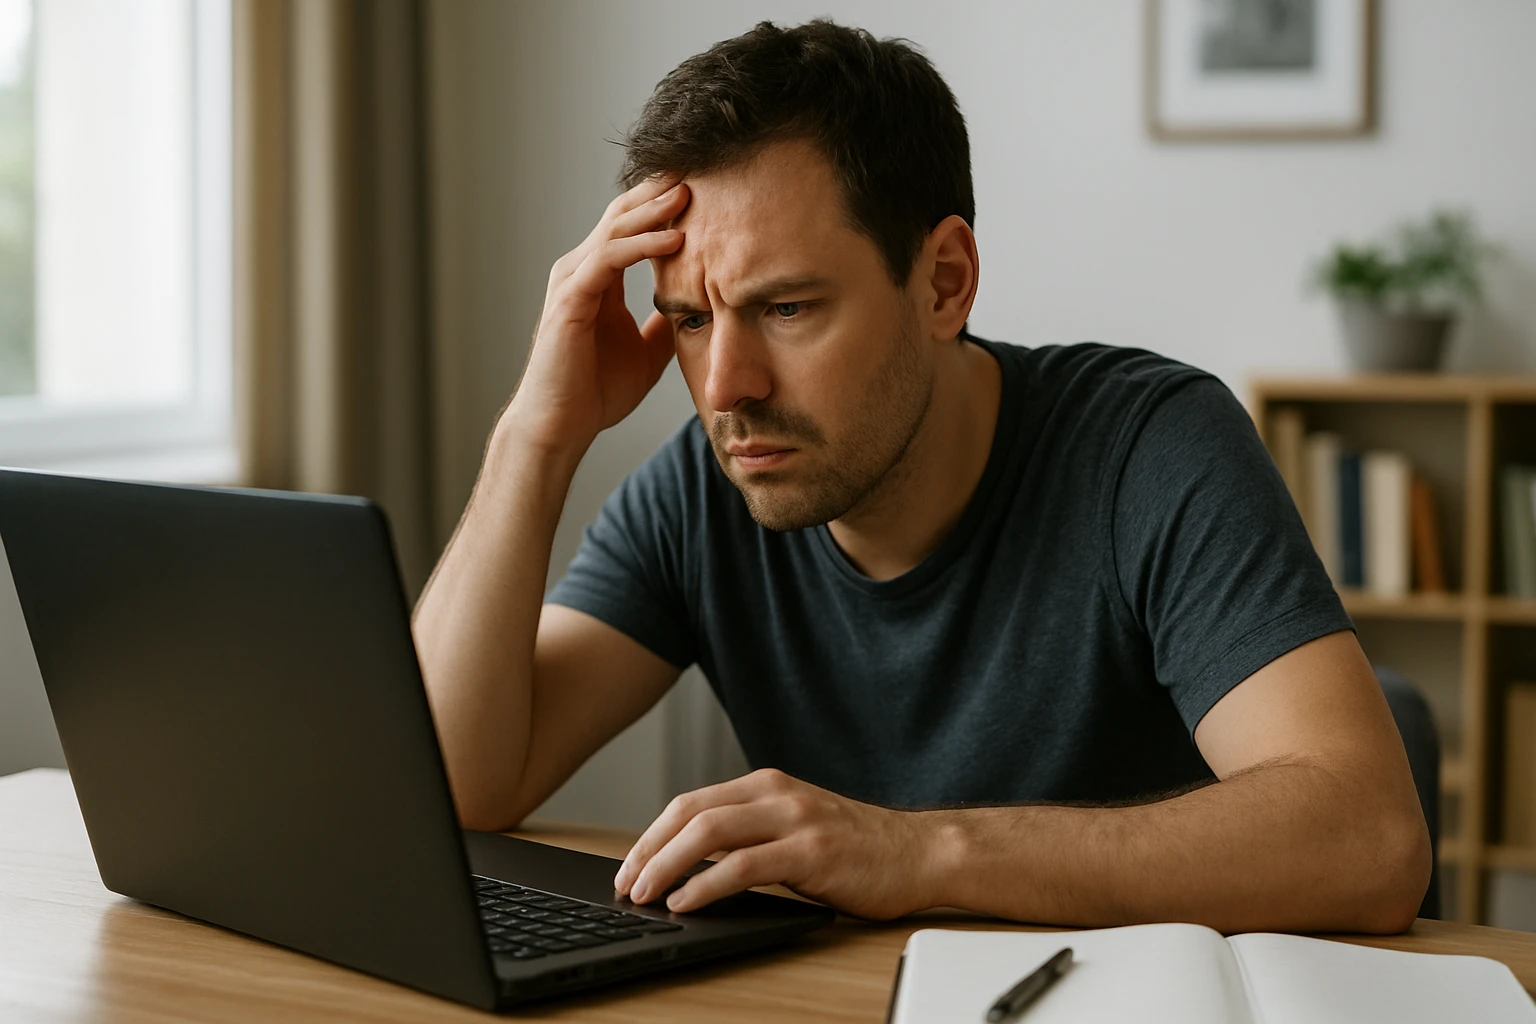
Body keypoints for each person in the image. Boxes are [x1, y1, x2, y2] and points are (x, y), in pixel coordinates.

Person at [411, 19, 1430, 934]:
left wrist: (917, 851)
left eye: (787, 308)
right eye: (689, 318)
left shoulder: (1149, 448)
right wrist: (534, 438)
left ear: (944, 281)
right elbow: (452, 785)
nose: (725, 385)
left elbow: (1370, 837)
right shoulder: (704, 487)